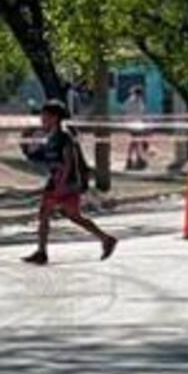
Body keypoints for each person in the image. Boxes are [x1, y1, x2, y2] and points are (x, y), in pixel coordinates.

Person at [21, 99, 118, 265]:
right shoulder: (50, 137)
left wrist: (62, 185)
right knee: (58, 215)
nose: (42, 120)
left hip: (66, 182)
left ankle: (105, 239)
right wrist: (28, 148)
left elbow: (68, 163)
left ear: (55, 117)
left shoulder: (64, 137)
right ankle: (105, 239)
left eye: (45, 116)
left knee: (61, 215)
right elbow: (43, 157)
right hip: (56, 180)